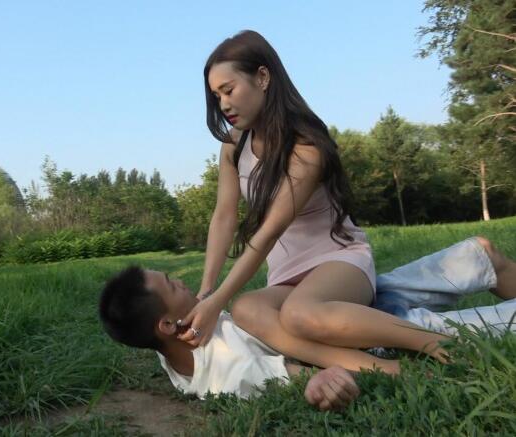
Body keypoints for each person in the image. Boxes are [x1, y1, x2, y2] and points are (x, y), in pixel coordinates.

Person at [179, 30, 447, 366]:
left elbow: (270, 231)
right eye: (216, 96)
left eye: (229, 90)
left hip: (339, 262)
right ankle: (379, 368)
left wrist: (217, 301)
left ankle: (439, 344)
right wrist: (206, 291)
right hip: (287, 277)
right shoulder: (234, 146)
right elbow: (224, 216)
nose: (224, 105)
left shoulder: (306, 145)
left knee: (298, 315)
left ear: (262, 77)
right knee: (246, 308)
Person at [99, 237, 516, 411]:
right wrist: (320, 383)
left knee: (482, 253)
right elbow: (297, 376)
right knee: (490, 317)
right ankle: (434, 341)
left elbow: (169, 355)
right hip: (371, 330)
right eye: (172, 284)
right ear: (167, 324)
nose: (182, 282)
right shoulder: (228, 371)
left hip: (339, 299)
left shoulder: (176, 350)